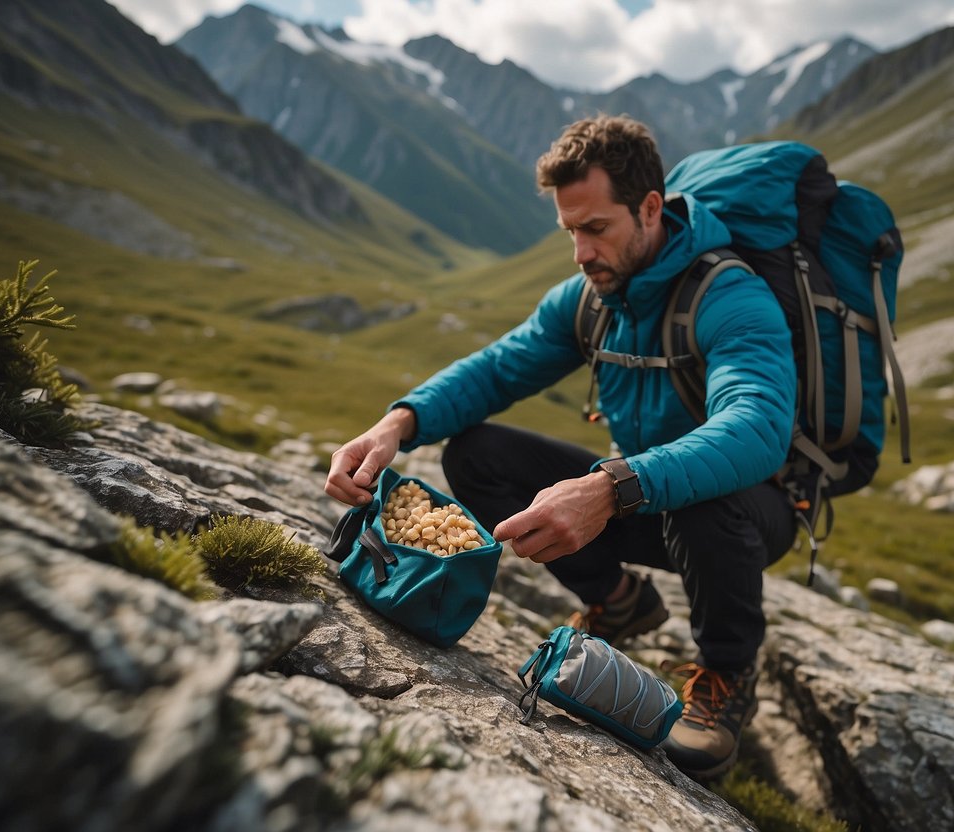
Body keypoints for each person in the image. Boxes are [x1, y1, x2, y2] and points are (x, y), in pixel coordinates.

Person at [324, 114, 798, 783]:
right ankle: (619, 600)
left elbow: (754, 429)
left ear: (650, 209)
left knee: (704, 496)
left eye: (595, 228)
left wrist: (606, 488)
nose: (579, 252)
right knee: (475, 453)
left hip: (744, 513)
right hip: (635, 493)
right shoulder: (590, 299)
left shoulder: (732, 299)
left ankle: (725, 676)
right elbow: (495, 369)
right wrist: (396, 423)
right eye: (570, 231)